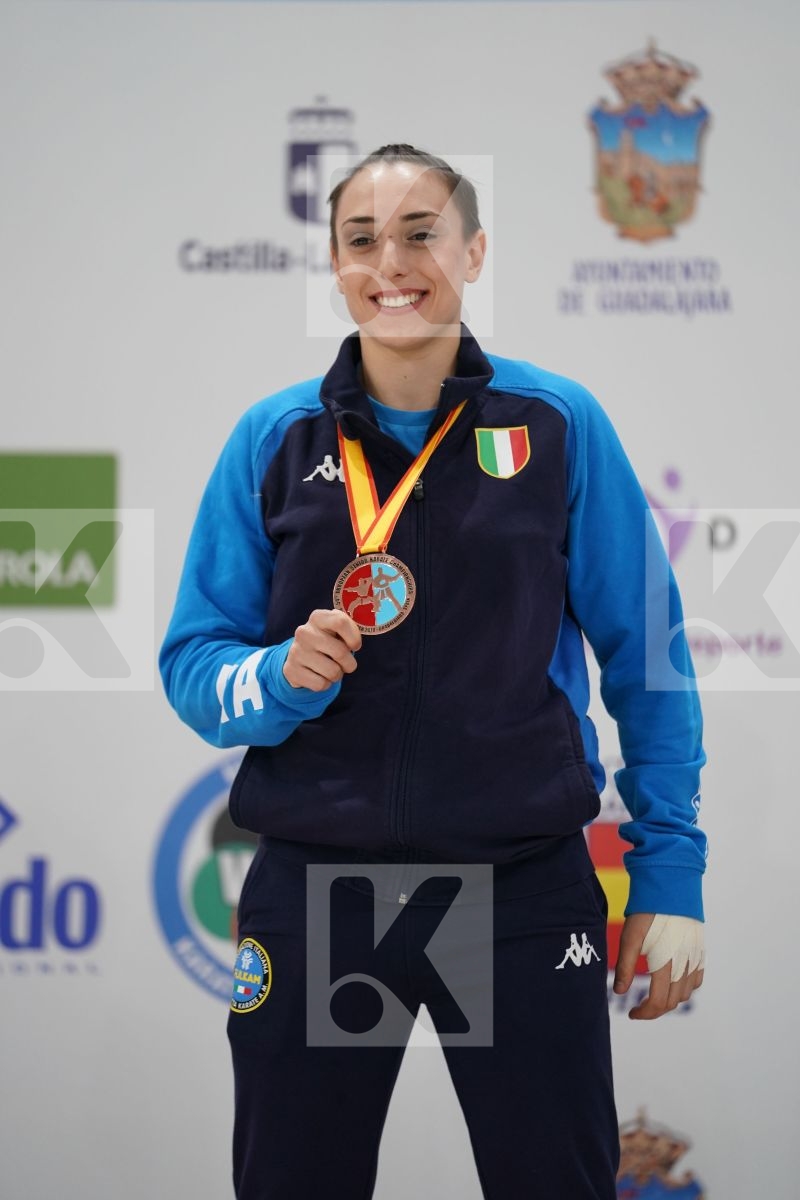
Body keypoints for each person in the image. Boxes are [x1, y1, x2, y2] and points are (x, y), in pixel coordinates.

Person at [159, 144, 707, 1200]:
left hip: (517, 888)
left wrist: (668, 871)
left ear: (472, 250)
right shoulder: (274, 438)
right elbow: (193, 666)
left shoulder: (554, 424)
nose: (392, 262)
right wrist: (276, 677)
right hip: (320, 893)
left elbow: (649, 660)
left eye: (420, 233)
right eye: (362, 239)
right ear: (333, 265)